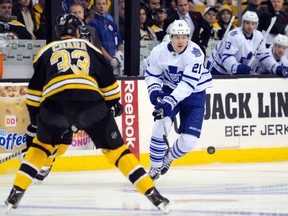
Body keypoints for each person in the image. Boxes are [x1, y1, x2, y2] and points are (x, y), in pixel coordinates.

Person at [4, 13, 170, 214]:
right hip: (91, 104)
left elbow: (34, 94)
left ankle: (16, 192)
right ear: (77, 31)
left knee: (40, 148)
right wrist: (113, 103)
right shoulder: (90, 48)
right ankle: (153, 194)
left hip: (55, 105)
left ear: (58, 33)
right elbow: (109, 82)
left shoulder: (45, 52)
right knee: (118, 153)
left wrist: (36, 122)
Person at [144, 20, 213, 180]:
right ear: (170, 37)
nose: (181, 41)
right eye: (177, 37)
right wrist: (155, 92)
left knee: (189, 141)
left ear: (189, 37)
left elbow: (187, 85)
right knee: (160, 127)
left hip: (194, 94)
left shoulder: (195, 53)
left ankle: (168, 158)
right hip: (169, 89)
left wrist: (168, 102)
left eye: (184, 37)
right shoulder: (158, 52)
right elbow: (152, 75)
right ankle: (154, 168)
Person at [207, 11, 269, 75]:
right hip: (217, 66)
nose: (250, 27)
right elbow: (227, 57)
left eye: (253, 24)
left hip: (230, 69)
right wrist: (237, 68)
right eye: (247, 23)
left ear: (256, 25)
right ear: (243, 23)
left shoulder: (259, 36)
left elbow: (264, 56)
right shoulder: (234, 36)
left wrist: (273, 67)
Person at [88, 0, 124, 75]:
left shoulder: (111, 23)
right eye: (98, 4)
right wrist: (111, 60)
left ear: (107, 5)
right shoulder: (92, 24)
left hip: (115, 61)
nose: (101, 6)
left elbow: (120, 42)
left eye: (104, 4)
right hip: (101, 63)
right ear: (94, 6)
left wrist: (118, 55)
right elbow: (97, 45)